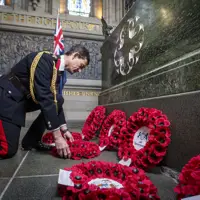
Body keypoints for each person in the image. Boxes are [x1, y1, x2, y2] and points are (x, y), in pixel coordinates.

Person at [0, 44, 90, 159]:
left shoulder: (57, 70)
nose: (80, 70)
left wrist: (64, 129)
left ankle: (31, 141)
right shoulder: (44, 60)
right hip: (6, 98)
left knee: (58, 99)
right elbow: (45, 98)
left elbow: (55, 100)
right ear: (75, 55)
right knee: (7, 150)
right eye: (81, 65)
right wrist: (57, 137)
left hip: (20, 101)